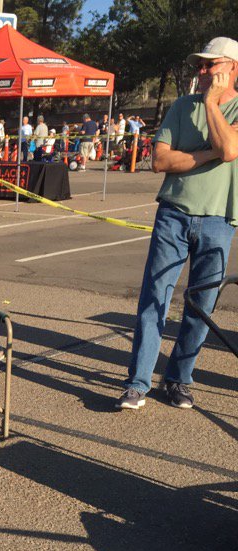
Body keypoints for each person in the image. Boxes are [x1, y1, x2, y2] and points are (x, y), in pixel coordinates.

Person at [117, 38, 238, 411]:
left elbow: (230, 149)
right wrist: (207, 153)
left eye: (209, 65)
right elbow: (159, 161)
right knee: (154, 298)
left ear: (231, 67)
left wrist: (211, 106)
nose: (201, 72)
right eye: (199, 66)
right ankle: (138, 382)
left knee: (201, 307)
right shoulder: (180, 107)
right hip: (173, 213)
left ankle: (179, 379)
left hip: (220, 218)